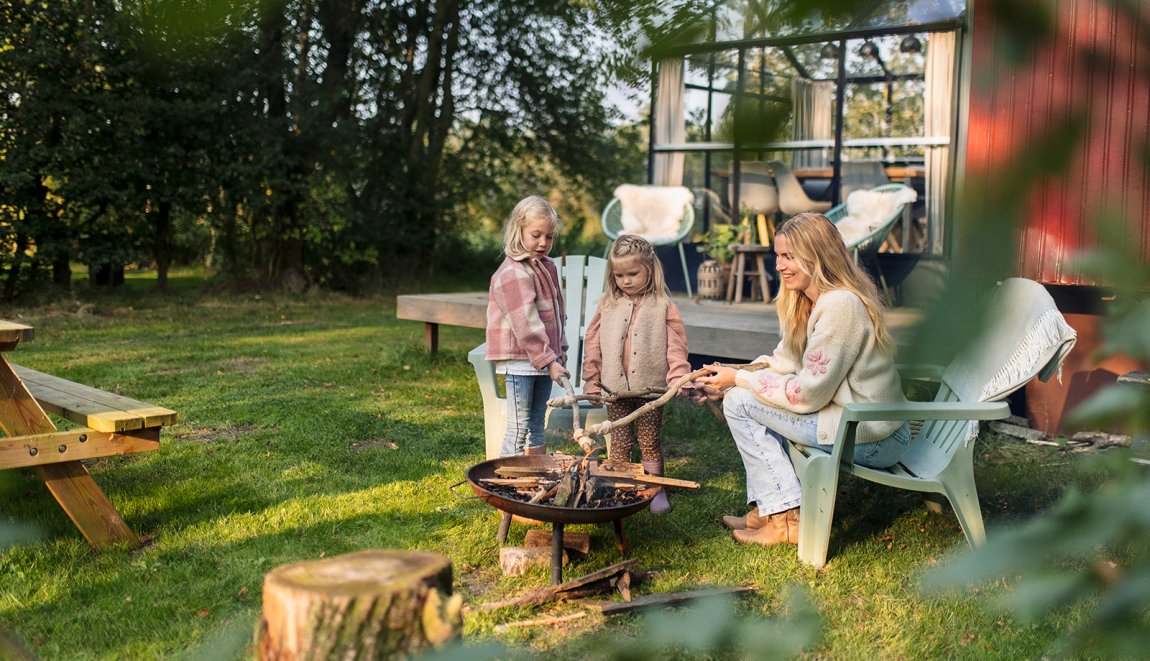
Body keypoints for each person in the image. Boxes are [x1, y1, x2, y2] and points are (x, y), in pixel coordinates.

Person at [694, 212, 910, 546]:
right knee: (741, 395)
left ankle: (784, 519)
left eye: (788, 257)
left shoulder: (840, 306)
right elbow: (783, 362)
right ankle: (769, 509)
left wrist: (739, 382)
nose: (779, 266)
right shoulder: (808, 300)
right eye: (778, 256)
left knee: (740, 402)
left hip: (871, 432)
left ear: (817, 256)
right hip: (850, 420)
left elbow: (806, 395)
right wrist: (729, 375)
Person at [582, 235, 691, 514]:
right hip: (614, 389)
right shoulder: (607, 305)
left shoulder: (662, 305)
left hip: (649, 391)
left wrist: (678, 376)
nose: (626, 280)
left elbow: (676, 345)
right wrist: (591, 380)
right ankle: (622, 486)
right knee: (619, 440)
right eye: (619, 275)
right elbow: (593, 344)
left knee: (649, 439)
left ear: (650, 269)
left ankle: (655, 489)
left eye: (633, 273)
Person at [485, 196, 569, 457]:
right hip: (521, 361)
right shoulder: (513, 273)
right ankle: (506, 479)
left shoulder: (547, 267)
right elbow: (526, 324)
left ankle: (536, 473)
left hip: (544, 360)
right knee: (519, 427)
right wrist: (549, 358)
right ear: (518, 230)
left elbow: (557, 315)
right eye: (536, 235)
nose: (543, 242)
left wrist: (558, 353)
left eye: (549, 236)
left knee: (537, 424)